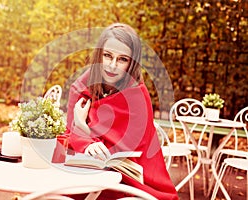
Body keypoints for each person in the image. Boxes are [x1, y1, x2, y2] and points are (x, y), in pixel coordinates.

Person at [65, 23, 178, 199]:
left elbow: (119, 154)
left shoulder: (137, 96)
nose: (112, 66)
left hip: (131, 181)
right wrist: (84, 139)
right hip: (85, 170)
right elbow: (68, 135)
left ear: (131, 63)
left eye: (122, 59)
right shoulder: (82, 85)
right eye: (108, 56)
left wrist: (83, 127)